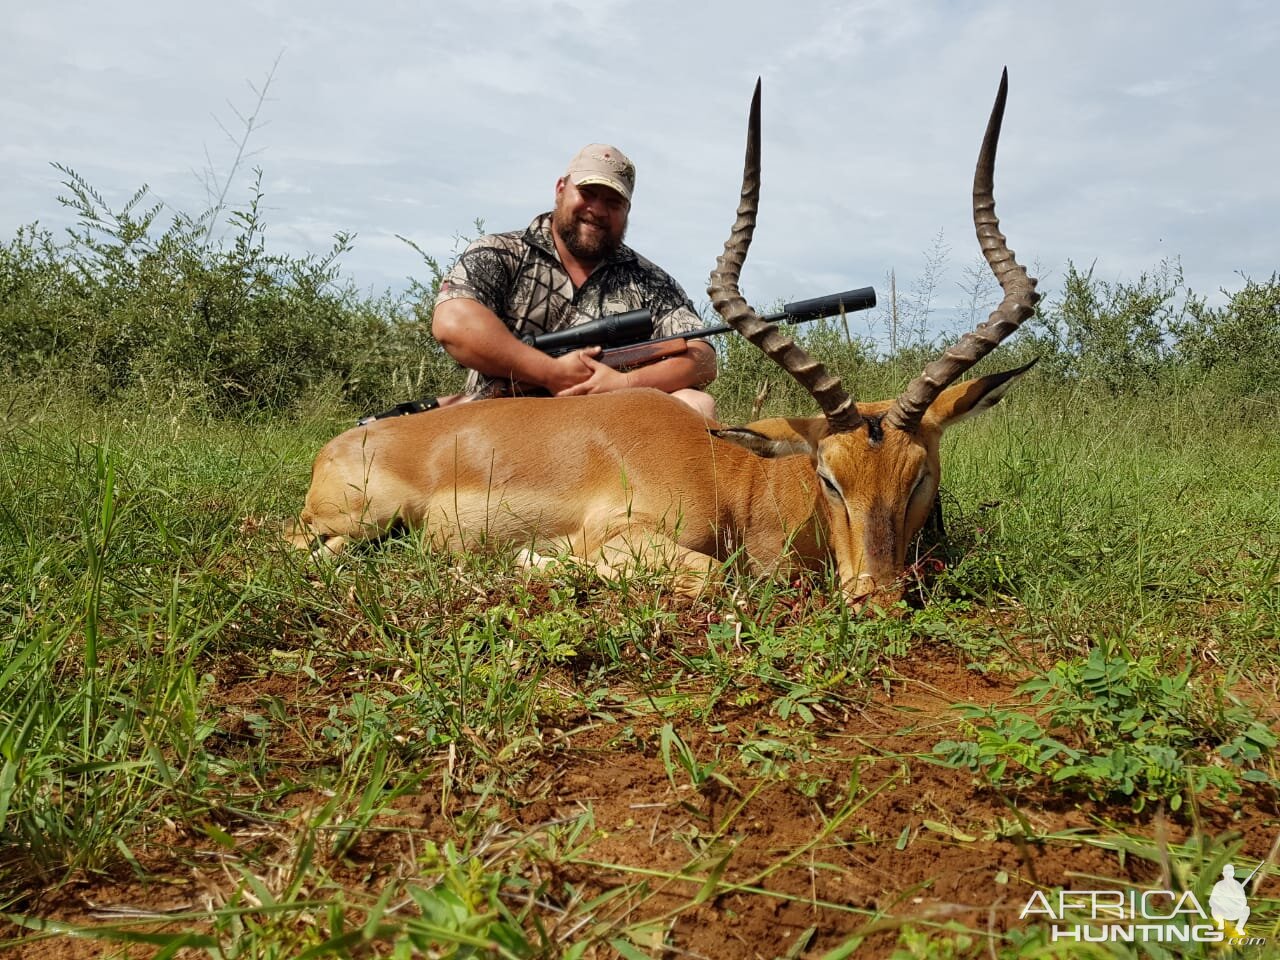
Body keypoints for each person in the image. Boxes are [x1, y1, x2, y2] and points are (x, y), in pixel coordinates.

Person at [431, 144, 718, 418]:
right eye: (587, 192)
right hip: (502, 423)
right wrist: (550, 372)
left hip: (605, 430)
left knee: (696, 405)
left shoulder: (650, 280)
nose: (597, 209)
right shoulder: (500, 252)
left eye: (613, 202)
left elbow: (703, 357)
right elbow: (453, 323)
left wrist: (626, 383)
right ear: (560, 189)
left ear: (627, 210)